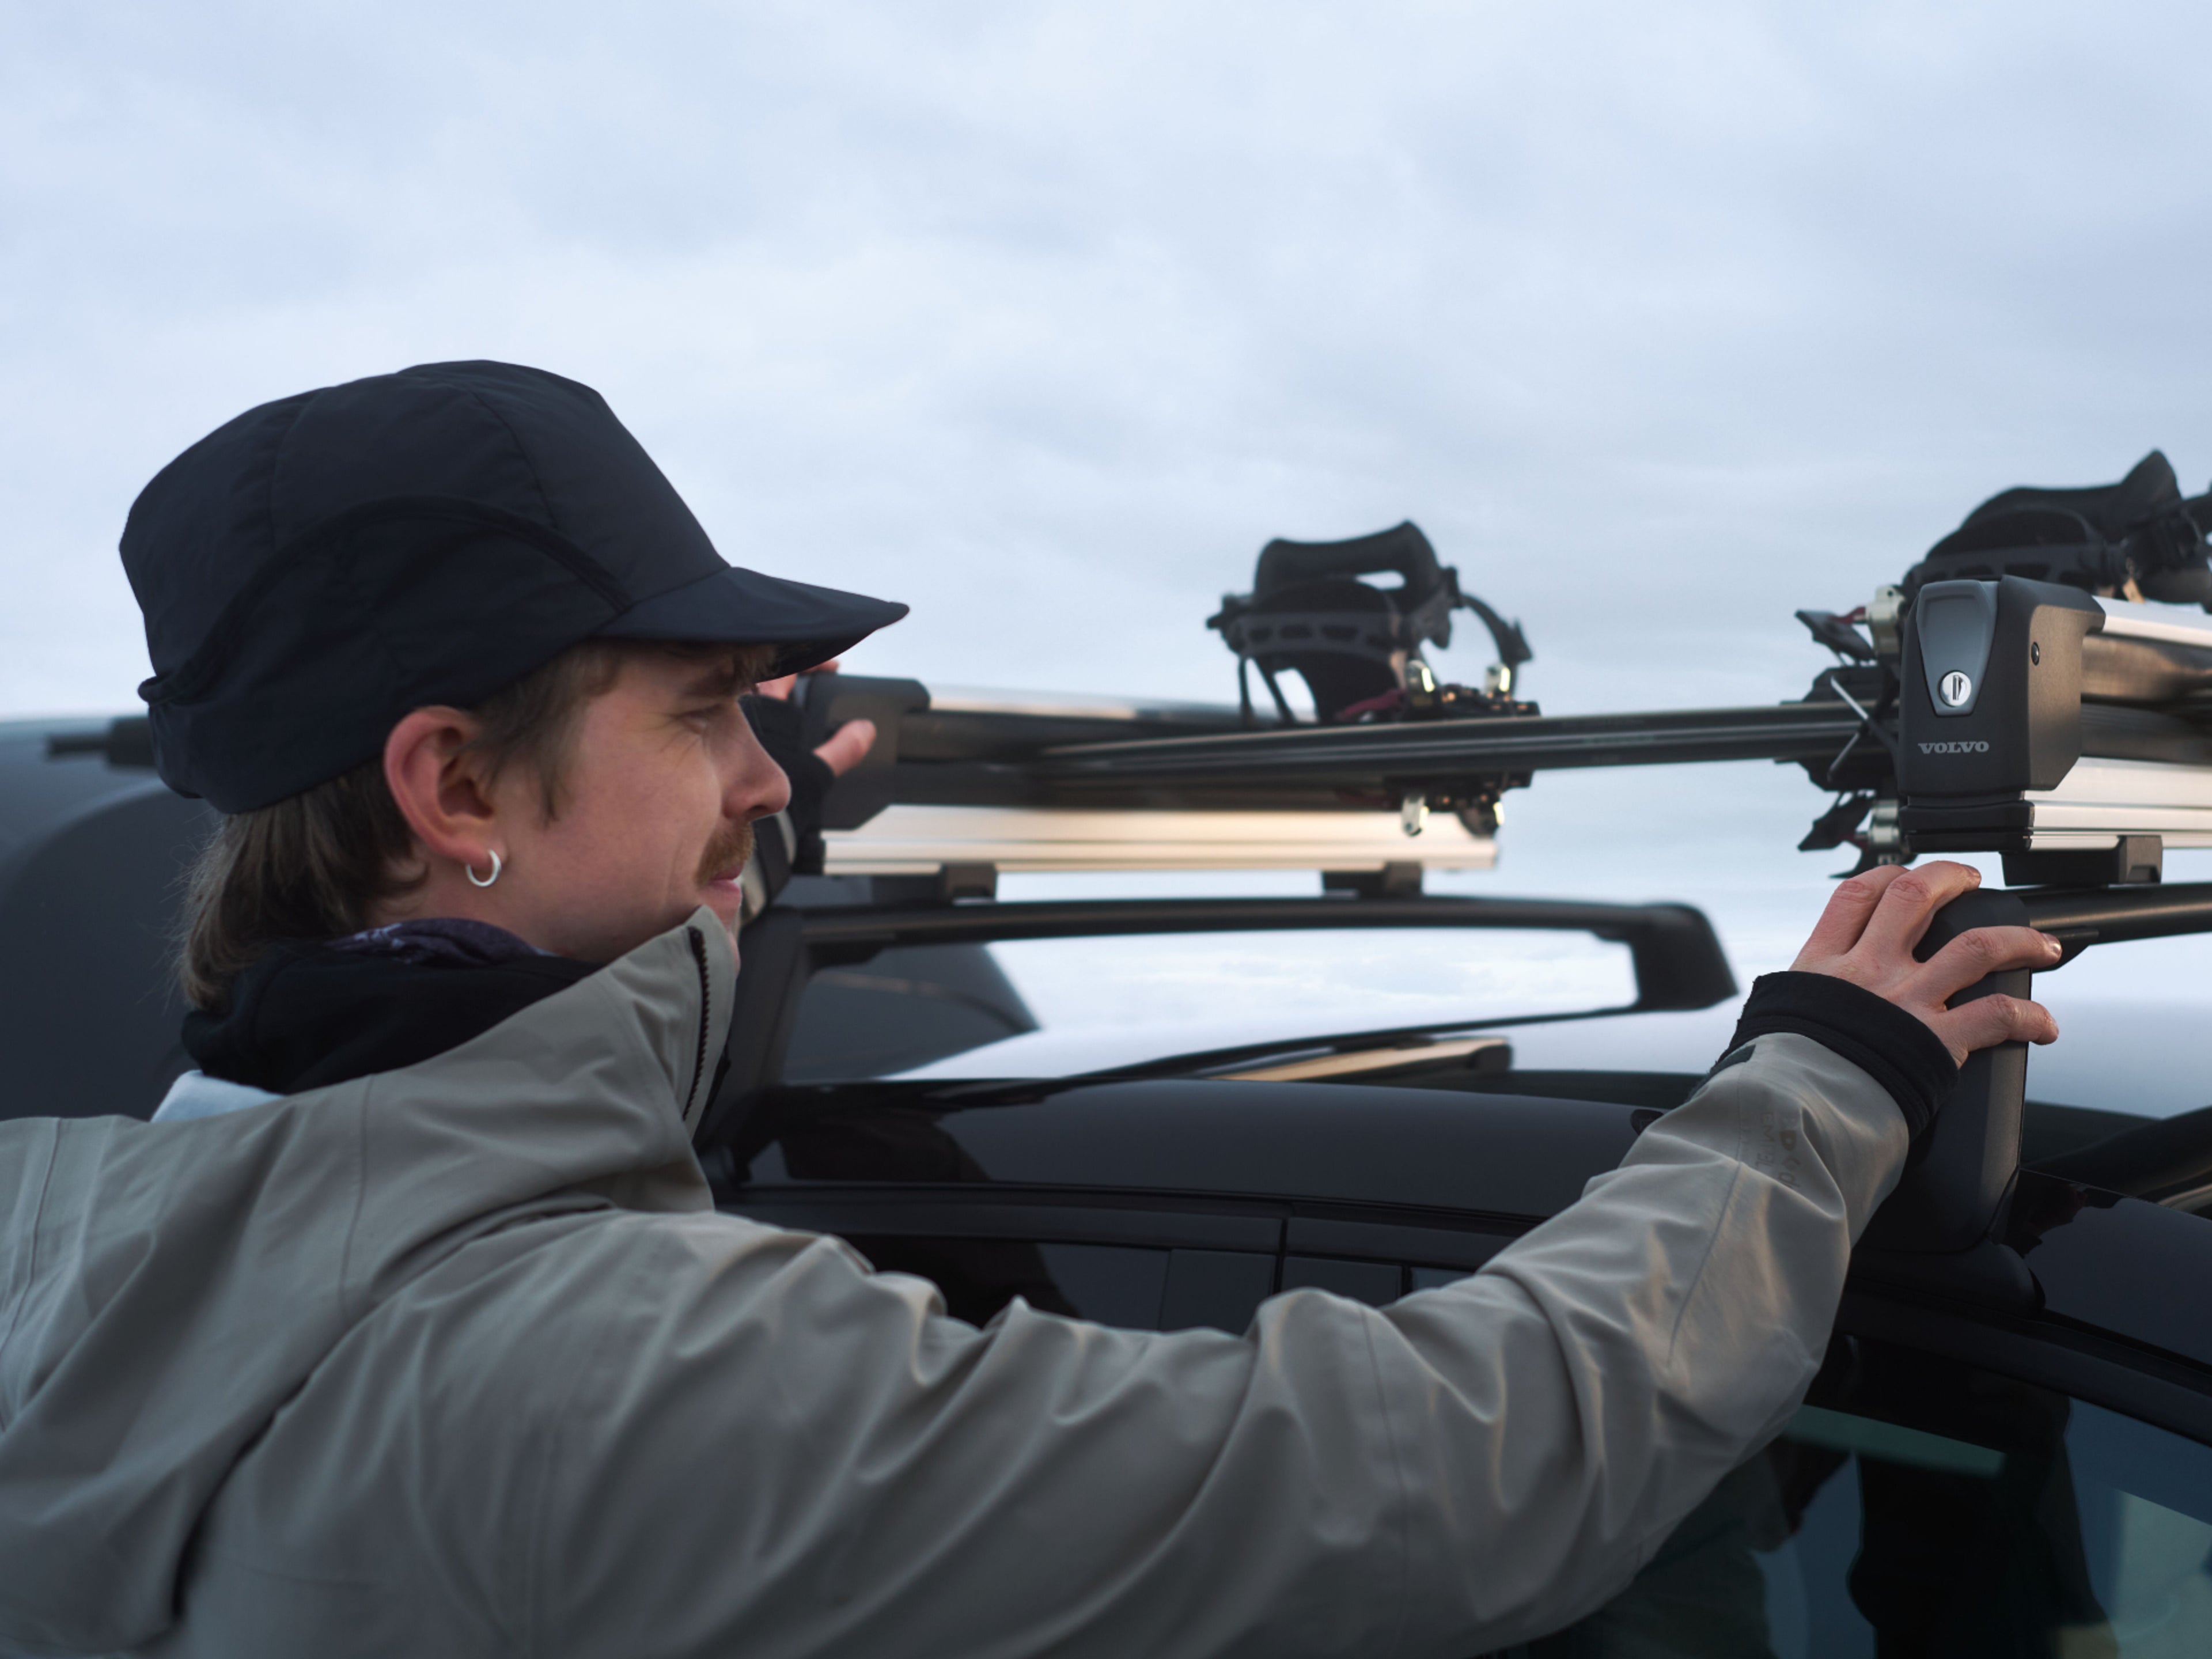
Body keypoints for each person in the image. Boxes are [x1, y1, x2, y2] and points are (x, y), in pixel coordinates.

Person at [0, 362, 2061, 1658]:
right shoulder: (620, 1380)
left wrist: (723, 848)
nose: (768, 775)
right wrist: (1820, 1090)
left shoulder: (57, 1251)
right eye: (705, 714)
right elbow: (1422, 1480)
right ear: (451, 788)